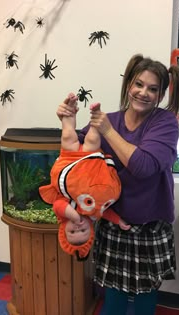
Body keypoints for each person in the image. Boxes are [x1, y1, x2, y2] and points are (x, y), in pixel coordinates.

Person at [57, 54, 179, 315]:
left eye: (152, 89)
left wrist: (107, 132)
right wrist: (67, 122)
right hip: (114, 223)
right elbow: (76, 153)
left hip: (150, 227)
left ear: (160, 95)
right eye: (138, 84)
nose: (143, 93)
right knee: (112, 295)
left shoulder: (165, 123)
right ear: (129, 86)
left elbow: (144, 167)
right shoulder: (109, 120)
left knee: (145, 298)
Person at [39, 94, 130, 260]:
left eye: (72, 231)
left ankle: (69, 114)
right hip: (91, 162)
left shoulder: (65, 214)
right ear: (91, 229)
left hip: (70, 162)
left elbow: (58, 205)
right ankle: (96, 118)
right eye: (83, 231)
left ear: (64, 228)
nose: (78, 226)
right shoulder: (94, 215)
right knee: (93, 138)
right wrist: (119, 221)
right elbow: (107, 213)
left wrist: (73, 214)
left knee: (68, 136)